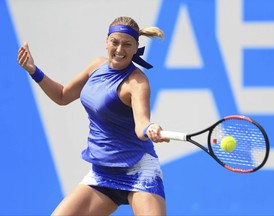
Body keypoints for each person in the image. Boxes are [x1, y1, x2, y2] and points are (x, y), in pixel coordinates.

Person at [17, 16, 168, 216]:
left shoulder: (137, 82)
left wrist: (150, 128)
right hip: (102, 173)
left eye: (127, 44)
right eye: (115, 42)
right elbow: (62, 96)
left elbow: (141, 124)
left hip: (139, 171)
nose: (120, 50)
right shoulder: (96, 67)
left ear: (136, 48)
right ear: (106, 42)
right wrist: (33, 70)